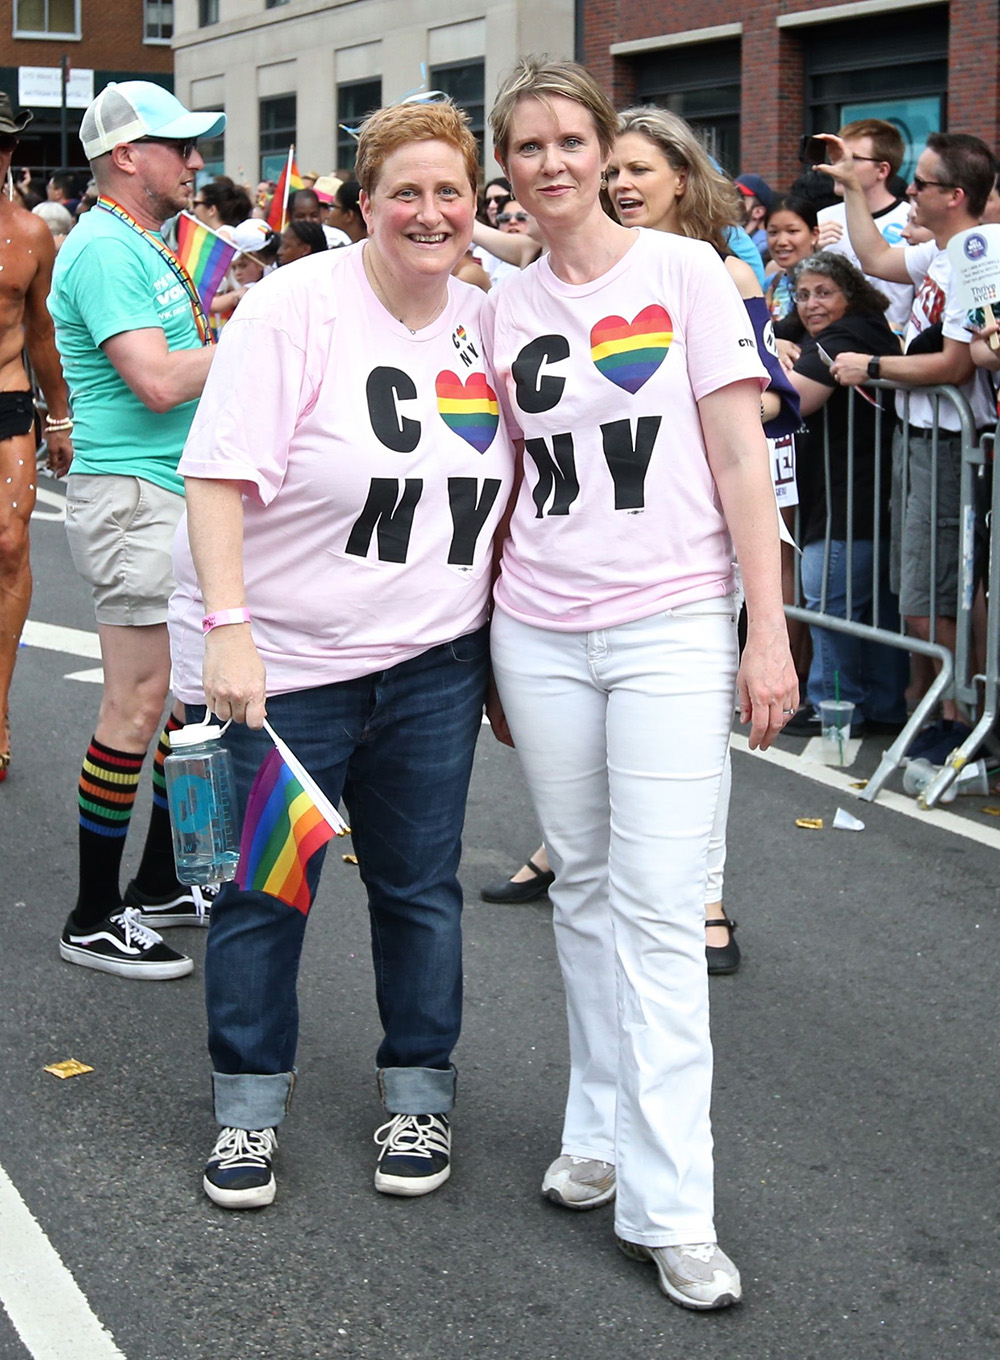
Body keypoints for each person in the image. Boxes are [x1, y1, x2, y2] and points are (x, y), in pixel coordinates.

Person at [483, 58, 796, 1311]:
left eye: (572, 140)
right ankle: (598, 1131)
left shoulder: (685, 274)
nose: (552, 163)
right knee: (586, 893)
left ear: (606, 150)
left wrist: (760, 633)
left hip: (671, 621)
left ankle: (675, 1205)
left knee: (664, 909)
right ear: (504, 168)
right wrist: (486, 648)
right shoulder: (499, 307)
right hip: (538, 628)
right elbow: (499, 482)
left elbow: (737, 453)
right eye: (527, 146)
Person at [166, 98, 513, 1210]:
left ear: (475, 205)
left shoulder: (492, 317)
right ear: (362, 205)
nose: (427, 212)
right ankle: (247, 1109)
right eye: (401, 192)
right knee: (264, 894)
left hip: (432, 668)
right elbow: (217, 474)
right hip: (286, 672)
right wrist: (229, 630)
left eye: (448, 192)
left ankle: (418, 1091)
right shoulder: (292, 307)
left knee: (417, 891)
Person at [49, 80, 225, 979]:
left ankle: (161, 881)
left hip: (165, 492)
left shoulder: (139, 243)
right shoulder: (107, 251)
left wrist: (226, 323)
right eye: (179, 146)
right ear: (127, 155)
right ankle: (92, 912)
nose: (196, 161)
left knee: (180, 700)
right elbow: (155, 382)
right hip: (132, 496)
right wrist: (254, 338)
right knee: (135, 702)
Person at [816, 132, 996, 734]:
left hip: (950, 446)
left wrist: (872, 367)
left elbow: (955, 364)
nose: (911, 192)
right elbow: (872, 258)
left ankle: (961, 720)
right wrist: (849, 187)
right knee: (921, 593)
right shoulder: (940, 252)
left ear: (957, 195)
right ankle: (949, 710)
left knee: (931, 600)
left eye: (923, 183)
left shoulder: (974, 255)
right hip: (917, 439)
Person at [780, 252, 908, 736]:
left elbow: (793, 398)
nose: (811, 304)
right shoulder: (849, 331)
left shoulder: (848, 335)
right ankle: (880, 704)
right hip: (858, 499)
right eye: (804, 293)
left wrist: (776, 360)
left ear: (849, 295)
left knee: (829, 603)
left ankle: (834, 703)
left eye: (823, 293)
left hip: (847, 503)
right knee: (867, 610)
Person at [0, 92, 74, 782]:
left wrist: (58, 417)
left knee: (10, 543)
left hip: (7, 402)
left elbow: (43, 334)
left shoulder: (29, 235)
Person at [814, 119, 913, 334]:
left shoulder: (912, 221)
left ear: (882, 170)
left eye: (853, 158)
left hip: (889, 347)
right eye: (838, 155)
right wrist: (808, 253)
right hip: (827, 345)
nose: (840, 164)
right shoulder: (822, 219)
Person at [765, 194, 820, 327]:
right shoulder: (772, 283)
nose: (782, 241)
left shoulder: (829, 282)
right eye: (773, 233)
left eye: (792, 231)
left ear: (814, 235)